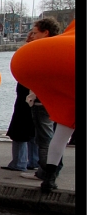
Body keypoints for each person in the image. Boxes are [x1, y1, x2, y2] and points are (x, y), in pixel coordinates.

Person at [22, 17, 63, 181]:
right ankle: (54, 169)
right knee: (56, 137)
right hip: (56, 100)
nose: (33, 36)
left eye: (36, 33)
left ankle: (46, 172)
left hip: (41, 99)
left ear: (46, 32)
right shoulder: (60, 48)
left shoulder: (42, 50)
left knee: (44, 139)